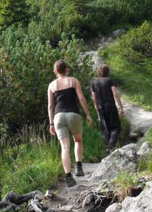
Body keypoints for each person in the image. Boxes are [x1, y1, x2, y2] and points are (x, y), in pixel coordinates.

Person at [48, 59, 93, 187]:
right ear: (66, 69)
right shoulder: (73, 81)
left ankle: (69, 177)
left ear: (55, 71)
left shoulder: (51, 85)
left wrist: (51, 123)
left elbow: (50, 106)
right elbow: (81, 98)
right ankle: (78, 167)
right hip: (73, 114)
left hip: (58, 116)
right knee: (78, 140)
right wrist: (88, 114)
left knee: (65, 147)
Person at [91, 64, 125, 155]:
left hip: (100, 108)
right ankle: (111, 144)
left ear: (98, 72)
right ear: (108, 72)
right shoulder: (110, 80)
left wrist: (97, 110)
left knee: (105, 130)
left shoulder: (94, 83)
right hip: (110, 106)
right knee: (116, 127)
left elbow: (94, 98)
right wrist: (121, 107)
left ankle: (107, 151)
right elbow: (115, 93)